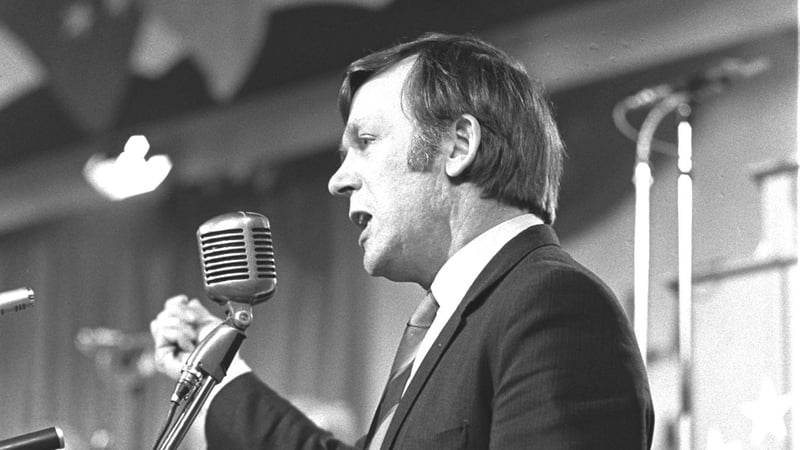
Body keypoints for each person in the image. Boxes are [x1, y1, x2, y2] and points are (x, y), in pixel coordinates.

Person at [150, 32, 654, 449]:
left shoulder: (552, 306)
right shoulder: (464, 317)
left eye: (365, 142)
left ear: (458, 145)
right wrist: (222, 378)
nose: (338, 180)